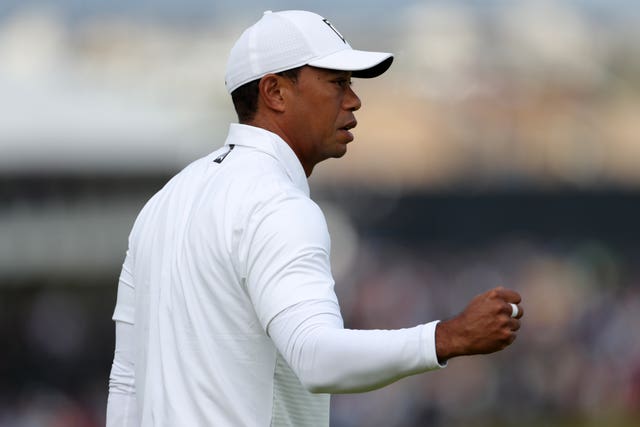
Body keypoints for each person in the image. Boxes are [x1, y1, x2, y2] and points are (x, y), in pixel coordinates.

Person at [106, 10, 523, 427]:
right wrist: (448, 337)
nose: (354, 99)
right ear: (275, 92)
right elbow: (316, 358)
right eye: (337, 82)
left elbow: (127, 381)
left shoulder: (164, 201)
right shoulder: (277, 203)